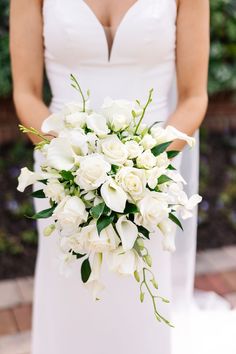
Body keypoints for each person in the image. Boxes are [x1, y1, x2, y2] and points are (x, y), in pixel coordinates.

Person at [10, 1, 236, 354]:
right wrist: (71, 165)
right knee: (69, 287)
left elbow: (194, 97)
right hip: (63, 177)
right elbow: (24, 91)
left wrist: (147, 166)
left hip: (150, 178)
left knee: (139, 297)